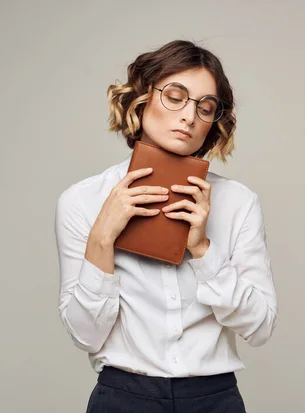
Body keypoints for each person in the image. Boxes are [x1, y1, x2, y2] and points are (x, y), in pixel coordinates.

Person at [54, 39, 278, 413]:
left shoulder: (238, 202)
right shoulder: (82, 201)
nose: (190, 116)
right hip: (121, 398)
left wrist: (204, 250)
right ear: (142, 98)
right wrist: (102, 238)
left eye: (206, 108)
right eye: (175, 96)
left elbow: (260, 327)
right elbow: (85, 335)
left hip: (215, 399)